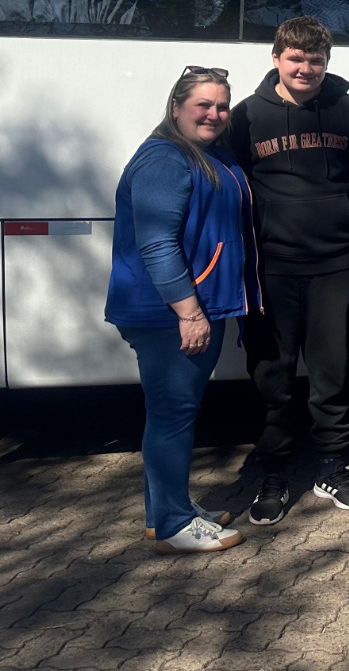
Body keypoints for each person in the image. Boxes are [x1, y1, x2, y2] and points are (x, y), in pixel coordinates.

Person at [231, 16, 349, 525]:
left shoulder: (347, 110)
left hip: (336, 264)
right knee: (273, 375)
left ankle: (331, 467)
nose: (306, 69)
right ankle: (272, 472)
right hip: (271, 268)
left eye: (316, 61)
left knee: (331, 374)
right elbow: (235, 183)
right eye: (296, 59)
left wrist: (333, 211)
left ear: (326, 63)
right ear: (276, 58)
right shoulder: (247, 117)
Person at [106, 66, 258, 554]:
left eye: (221, 105)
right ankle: (172, 524)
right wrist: (189, 313)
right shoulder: (165, 161)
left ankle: (166, 512)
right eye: (203, 105)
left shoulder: (203, 155)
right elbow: (156, 243)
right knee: (173, 415)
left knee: (172, 413)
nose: (214, 114)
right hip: (167, 313)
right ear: (176, 108)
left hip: (188, 307)